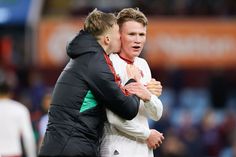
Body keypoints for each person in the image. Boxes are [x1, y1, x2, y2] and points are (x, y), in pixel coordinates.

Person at [39, 9, 151, 157]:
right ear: (107, 39)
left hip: (63, 145)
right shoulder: (96, 63)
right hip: (71, 147)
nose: (121, 37)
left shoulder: (86, 57)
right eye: (118, 32)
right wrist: (135, 82)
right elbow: (127, 108)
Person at [100, 8, 164, 157]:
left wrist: (147, 96)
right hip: (118, 147)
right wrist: (147, 134)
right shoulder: (110, 65)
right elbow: (114, 118)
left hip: (142, 149)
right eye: (132, 34)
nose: (138, 40)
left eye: (142, 34)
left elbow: (156, 114)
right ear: (119, 35)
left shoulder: (143, 64)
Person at [0, 76, 36, 157]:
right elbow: (28, 136)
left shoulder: (20, 109)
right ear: (10, 93)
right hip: (13, 152)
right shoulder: (20, 109)